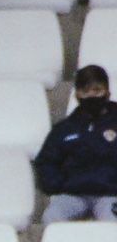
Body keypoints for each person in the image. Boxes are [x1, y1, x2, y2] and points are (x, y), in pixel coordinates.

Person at [33, 65, 117, 223]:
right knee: (52, 217)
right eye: (86, 91)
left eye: (97, 90)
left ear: (107, 91)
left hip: (110, 194)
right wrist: (58, 184)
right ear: (77, 95)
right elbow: (46, 161)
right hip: (73, 194)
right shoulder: (64, 129)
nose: (91, 96)